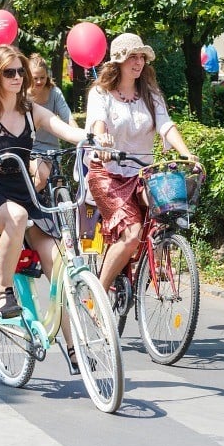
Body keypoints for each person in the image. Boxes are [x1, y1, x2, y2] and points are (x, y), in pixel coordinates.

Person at [0, 44, 87, 321]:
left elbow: (65, 129)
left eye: (21, 71)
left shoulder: (32, 111)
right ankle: (3, 291)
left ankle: (74, 352)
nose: (17, 77)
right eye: (9, 72)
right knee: (17, 217)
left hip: (26, 192)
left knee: (59, 268)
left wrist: (93, 138)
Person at [86, 33, 200, 296]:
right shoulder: (101, 94)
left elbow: (166, 125)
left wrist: (187, 153)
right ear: (118, 61)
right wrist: (103, 142)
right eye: (132, 57)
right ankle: (98, 295)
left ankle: (149, 262)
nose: (138, 62)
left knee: (167, 211)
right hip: (108, 173)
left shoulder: (150, 94)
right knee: (132, 232)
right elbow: (98, 123)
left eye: (141, 57)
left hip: (141, 173)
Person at [27, 52, 76, 192]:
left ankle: (60, 213)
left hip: (52, 148)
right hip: (31, 148)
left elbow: (68, 118)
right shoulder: (23, 96)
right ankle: (23, 205)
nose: (39, 82)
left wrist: (80, 139)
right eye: (35, 78)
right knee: (41, 179)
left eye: (42, 77)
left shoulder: (54, 92)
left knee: (59, 183)